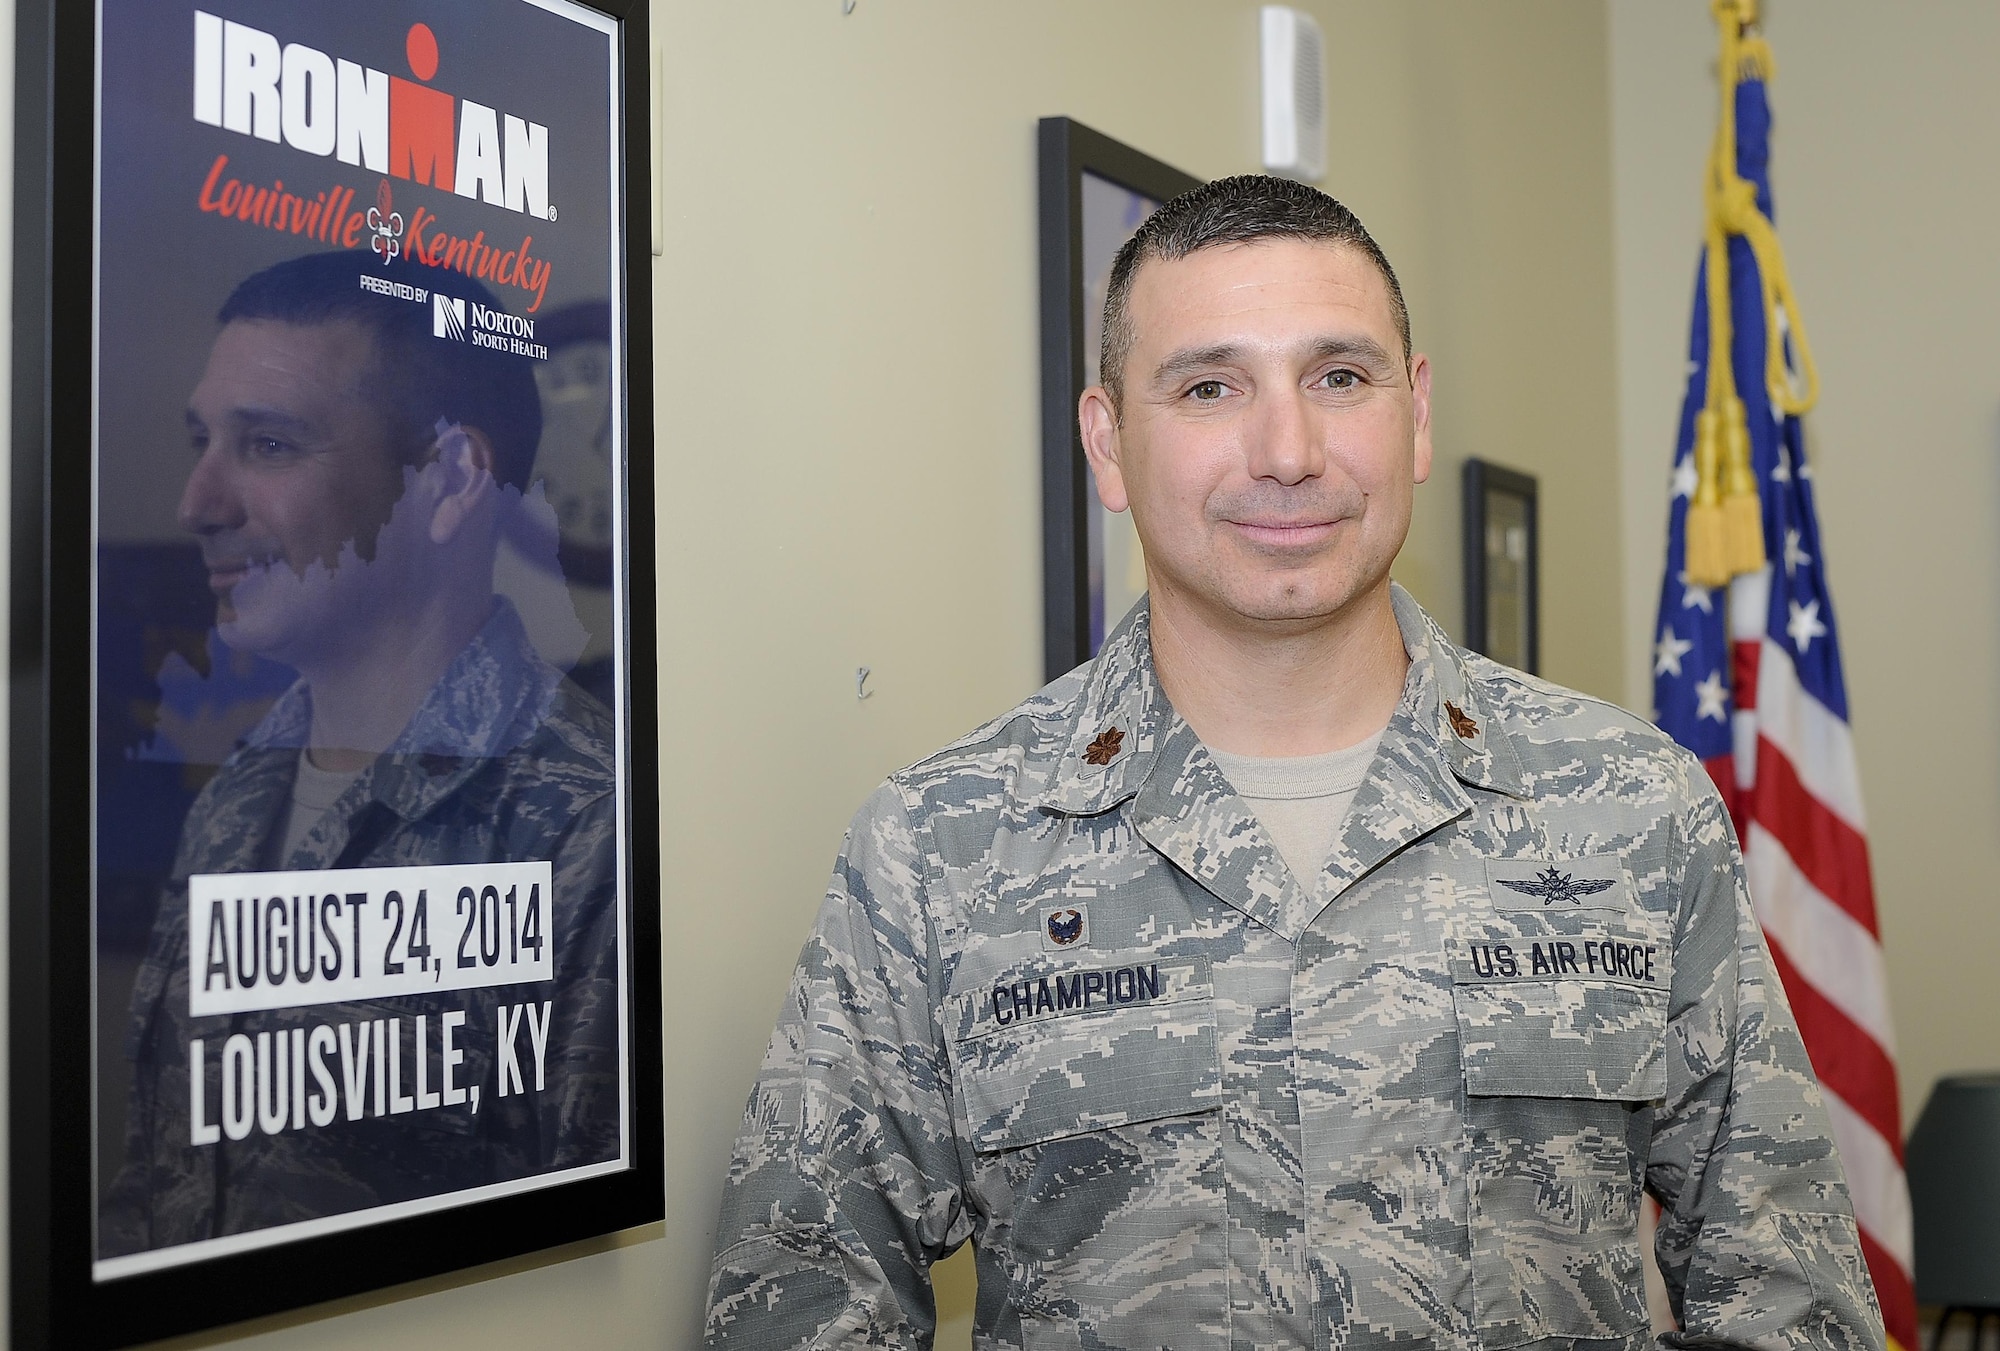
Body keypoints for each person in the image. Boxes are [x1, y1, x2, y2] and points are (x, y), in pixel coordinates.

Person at [704, 177, 1884, 1350]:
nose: (1287, 449)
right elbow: (798, 1301)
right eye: (1209, 386)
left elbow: (1791, 1299)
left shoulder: (1631, 809)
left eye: (1338, 377)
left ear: (1414, 416)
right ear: (1107, 444)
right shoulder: (943, 846)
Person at [101, 251, 621, 1258]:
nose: (197, 502)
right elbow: (154, 1186)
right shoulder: (239, 793)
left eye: (266, 443)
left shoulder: (589, 824)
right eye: (203, 440)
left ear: (448, 478)